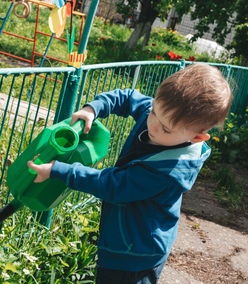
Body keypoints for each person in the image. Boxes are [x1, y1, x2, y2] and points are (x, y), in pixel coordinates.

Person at [27, 63, 232, 284]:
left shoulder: (169, 170)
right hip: (125, 239)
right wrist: (93, 108)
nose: (152, 125)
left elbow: (114, 185)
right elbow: (127, 97)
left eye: (165, 128)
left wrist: (59, 170)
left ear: (196, 138)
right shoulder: (162, 115)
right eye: (153, 111)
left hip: (135, 257)